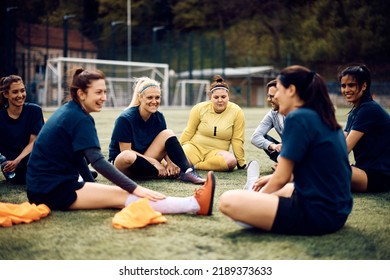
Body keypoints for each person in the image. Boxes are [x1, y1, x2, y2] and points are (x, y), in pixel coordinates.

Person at [26, 68, 215, 216]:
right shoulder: (79, 118)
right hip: (50, 190)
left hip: (45, 185)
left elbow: (78, 158)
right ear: (82, 94)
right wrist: (136, 187)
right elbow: (97, 161)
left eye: (105, 92)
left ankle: (193, 198)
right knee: (123, 195)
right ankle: (195, 204)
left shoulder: (70, 110)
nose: (104, 98)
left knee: (119, 193)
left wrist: (91, 183)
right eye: (98, 93)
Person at [218, 65, 353, 235]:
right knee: (285, 189)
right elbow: (298, 173)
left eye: (279, 90)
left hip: (318, 216)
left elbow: (282, 178)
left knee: (228, 200)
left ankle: (250, 198)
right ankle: (252, 193)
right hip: (339, 212)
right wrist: (271, 178)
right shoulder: (321, 115)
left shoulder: (298, 117)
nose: (275, 97)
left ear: (291, 90)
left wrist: (255, 200)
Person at [108, 77, 205, 185]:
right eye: (150, 97)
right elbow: (125, 151)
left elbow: (165, 144)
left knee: (167, 133)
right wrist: (154, 162)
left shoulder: (159, 117)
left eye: (157, 97)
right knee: (127, 155)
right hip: (124, 164)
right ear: (140, 97)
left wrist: (170, 163)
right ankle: (156, 171)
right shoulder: (125, 118)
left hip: (146, 159)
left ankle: (188, 172)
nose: (154, 101)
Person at [339, 64, 390, 193]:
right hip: (363, 170)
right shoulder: (355, 112)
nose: (346, 90)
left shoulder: (369, 109)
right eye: (343, 86)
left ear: (363, 86)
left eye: (351, 85)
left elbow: (344, 149)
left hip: (380, 175)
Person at [179, 75, 246, 171]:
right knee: (176, 162)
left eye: (223, 97)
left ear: (228, 96)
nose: (220, 100)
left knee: (231, 161)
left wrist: (241, 163)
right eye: (216, 97)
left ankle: (196, 166)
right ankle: (191, 162)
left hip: (216, 153)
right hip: (195, 148)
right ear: (210, 97)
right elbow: (189, 130)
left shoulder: (237, 111)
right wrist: (180, 149)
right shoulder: (199, 108)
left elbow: (237, 139)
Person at [0, 75, 45, 184]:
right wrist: (6, 162)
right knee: (22, 180)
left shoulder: (34, 111)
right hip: (12, 167)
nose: (20, 95)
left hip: (33, 158)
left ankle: (77, 172)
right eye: (15, 92)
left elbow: (34, 142)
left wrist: (18, 160)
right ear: (6, 94)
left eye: (22, 91)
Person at [251, 79, 285, 163]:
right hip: (287, 149)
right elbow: (255, 137)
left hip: (301, 151)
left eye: (272, 96)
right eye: (268, 96)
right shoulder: (273, 114)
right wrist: (272, 146)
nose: (268, 99)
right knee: (264, 138)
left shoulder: (298, 113)